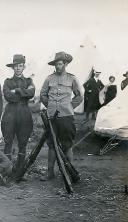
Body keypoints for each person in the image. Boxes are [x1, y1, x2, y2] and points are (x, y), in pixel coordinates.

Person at [40, 51, 83, 181]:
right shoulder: (49, 78)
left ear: (65, 64)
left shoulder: (72, 78)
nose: (58, 67)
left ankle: (70, 172)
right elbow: (43, 94)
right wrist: (51, 105)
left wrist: (69, 106)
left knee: (67, 144)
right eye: (56, 64)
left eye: (60, 64)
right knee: (52, 144)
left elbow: (79, 96)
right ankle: (50, 173)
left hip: (66, 117)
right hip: (51, 116)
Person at [1, 54, 35, 180]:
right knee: (8, 141)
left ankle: (20, 171)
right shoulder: (7, 81)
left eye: (20, 66)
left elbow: (31, 93)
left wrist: (18, 91)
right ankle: (7, 171)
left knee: (23, 143)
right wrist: (23, 94)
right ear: (13, 67)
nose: (18, 68)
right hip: (10, 113)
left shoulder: (29, 81)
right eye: (16, 66)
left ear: (23, 67)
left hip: (24, 114)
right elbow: (8, 96)